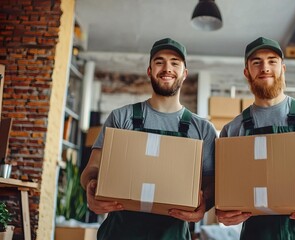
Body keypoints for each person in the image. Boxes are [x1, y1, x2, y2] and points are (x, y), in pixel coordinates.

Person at [81, 38, 217, 240]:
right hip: (120, 232)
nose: (167, 68)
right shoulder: (121, 118)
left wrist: (205, 204)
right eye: (159, 62)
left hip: (172, 233)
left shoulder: (202, 129)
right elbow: (92, 169)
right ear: (149, 70)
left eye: (175, 63)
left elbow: (210, 183)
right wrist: (91, 187)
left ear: (184, 73)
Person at [215, 37, 295, 239]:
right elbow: (224, 190)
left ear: (283, 69)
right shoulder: (233, 129)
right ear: (246, 72)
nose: (265, 67)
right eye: (256, 62)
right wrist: (222, 212)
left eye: (272, 61)